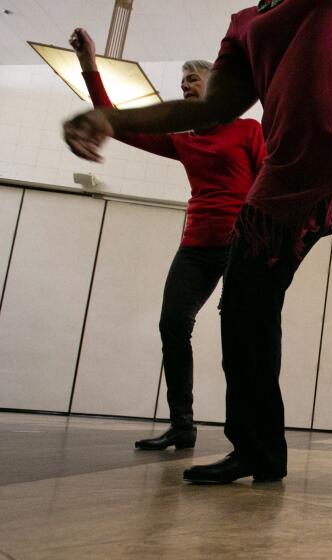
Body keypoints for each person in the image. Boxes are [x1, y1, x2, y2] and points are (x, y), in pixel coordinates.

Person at [63, 0, 332, 484]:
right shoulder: (244, 27)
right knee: (245, 298)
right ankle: (255, 450)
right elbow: (211, 107)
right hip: (294, 169)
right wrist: (111, 120)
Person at [69, 28, 266, 451]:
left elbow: (267, 181)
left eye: (192, 81)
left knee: (241, 333)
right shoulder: (182, 138)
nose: (185, 87)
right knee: (172, 324)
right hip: (196, 245)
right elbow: (114, 120)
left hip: (239, 242)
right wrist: (89, 64)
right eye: (181, 84)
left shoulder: (249, 130)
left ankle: (247, 434)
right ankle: (182, 425)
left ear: (216, 86)